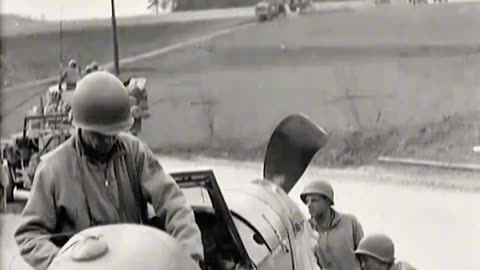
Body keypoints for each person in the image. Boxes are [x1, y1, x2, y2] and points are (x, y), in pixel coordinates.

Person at [14, 71, 204, 270]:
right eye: (100, 134)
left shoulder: (135, 152)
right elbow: (29, 236)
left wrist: (189, 255)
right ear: (81, 126)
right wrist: (65, 263)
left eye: (114, 132)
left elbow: (173, 204)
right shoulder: (53, 169)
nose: (109, 140)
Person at [300, 179, 364, 270]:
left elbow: (365, 257)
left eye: (314, 201)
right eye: (307, 201)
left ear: (328, 201)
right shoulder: (306, 230)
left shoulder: (350, 223)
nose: (309, 205)